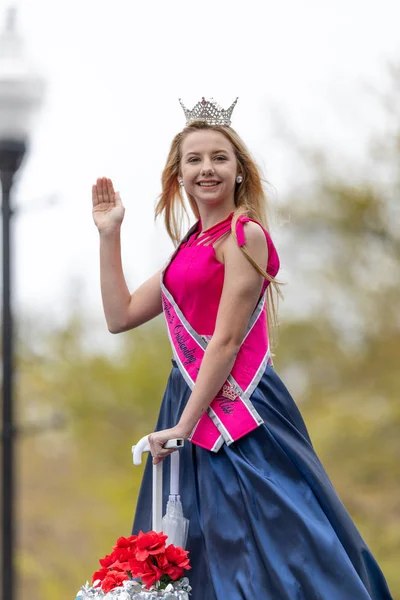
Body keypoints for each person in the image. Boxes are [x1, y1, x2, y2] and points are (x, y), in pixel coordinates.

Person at [92, 98, 393, 599]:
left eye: (219, 158)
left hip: (240, 414)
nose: (206, 168)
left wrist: (184, 428)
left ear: (238, 172)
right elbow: (118, 317)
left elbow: (228, 340)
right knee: (199, 551)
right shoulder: (186, 249)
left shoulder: (244, 235)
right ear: (178, 176)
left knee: (275, 544)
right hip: (185, 405)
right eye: (194, 160)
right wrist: (109, 235)